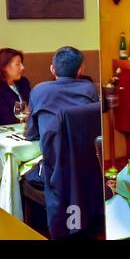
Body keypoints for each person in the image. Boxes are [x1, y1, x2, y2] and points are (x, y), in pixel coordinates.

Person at [24, 46, 99, 188]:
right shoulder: (89, 88)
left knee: (22, 175)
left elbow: (31, 133)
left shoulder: (39, 91)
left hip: (53, 174)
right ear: (80, 70)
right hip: (87, 171)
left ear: (53, 69)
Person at [0, 48, 30, 125]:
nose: (22, 67)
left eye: (22, 63)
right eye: (18, 64)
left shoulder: (23, 82)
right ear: (4, 67)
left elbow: (32, 105)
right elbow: (5, 117)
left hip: (25, 128)